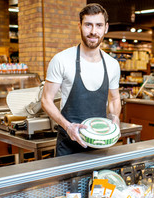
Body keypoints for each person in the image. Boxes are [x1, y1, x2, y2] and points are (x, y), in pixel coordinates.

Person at [41, 3, 121, 157]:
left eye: (98, 25)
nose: (93, 31)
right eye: (88, 25)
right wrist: (67, 126)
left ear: (106, 28)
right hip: (68, 146)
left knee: (100, 182)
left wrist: (114, 117)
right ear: (79, 26)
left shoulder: (112, 65)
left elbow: (115, 98)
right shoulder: (62, 60)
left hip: (100, 144)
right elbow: (46, 100)